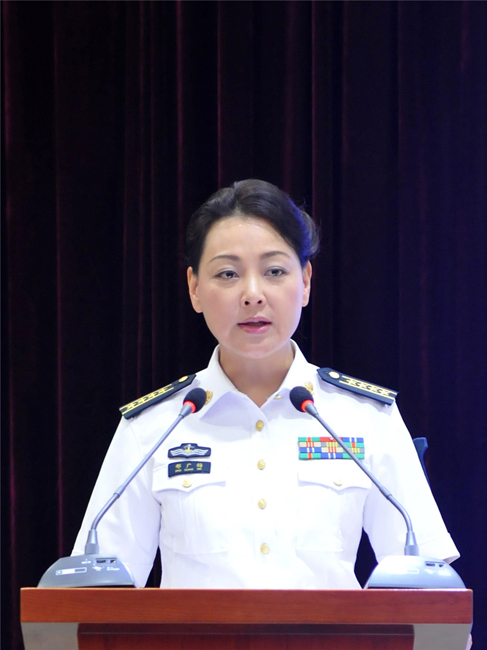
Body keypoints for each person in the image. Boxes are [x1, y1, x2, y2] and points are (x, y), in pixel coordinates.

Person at [73, 178, 459, 589]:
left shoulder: (366, 418)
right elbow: (97, 588)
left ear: (305, 281)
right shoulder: (151, 428)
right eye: (227, 273)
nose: (252, 294)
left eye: (275, 271)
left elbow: (427, 582)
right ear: (195, 289)